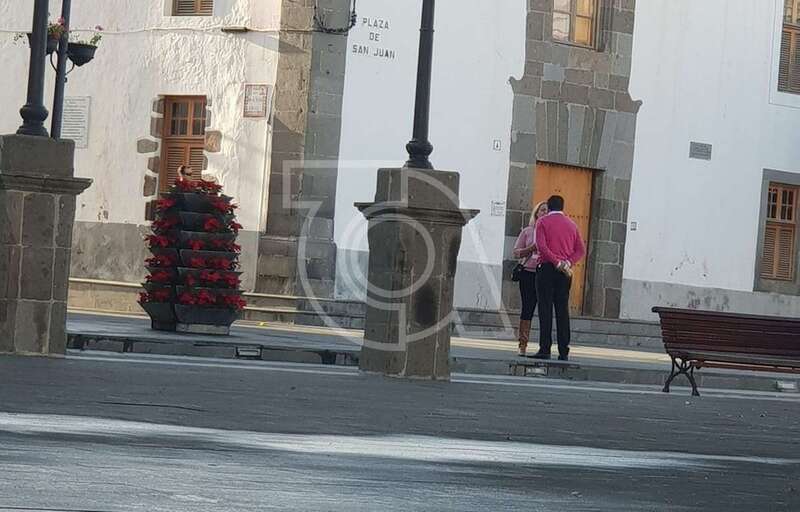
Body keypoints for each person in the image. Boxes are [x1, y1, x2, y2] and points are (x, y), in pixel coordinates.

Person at [532, 195, 585, 361]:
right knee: (562, 310)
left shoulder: (542, 222)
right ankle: (563, 350)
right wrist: (567, 263)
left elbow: (542, 246)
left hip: (547, 268)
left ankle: (545, 348)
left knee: (545, 308)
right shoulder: (572, 224)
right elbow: (581, 250)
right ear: (563, 207)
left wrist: (556, 262)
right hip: (564, 272)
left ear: (549, 207)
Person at [512, 201, 548, 356]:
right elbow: (516, 252)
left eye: (547, 210)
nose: (545, 213)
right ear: (536, 213)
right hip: (528, 273)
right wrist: (531, 248)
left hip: (544, 273)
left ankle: (544, 346)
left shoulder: (551, 232)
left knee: (544, 309)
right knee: (527, 308)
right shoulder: (528, 231)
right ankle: (522, 344)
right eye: (542, 210)